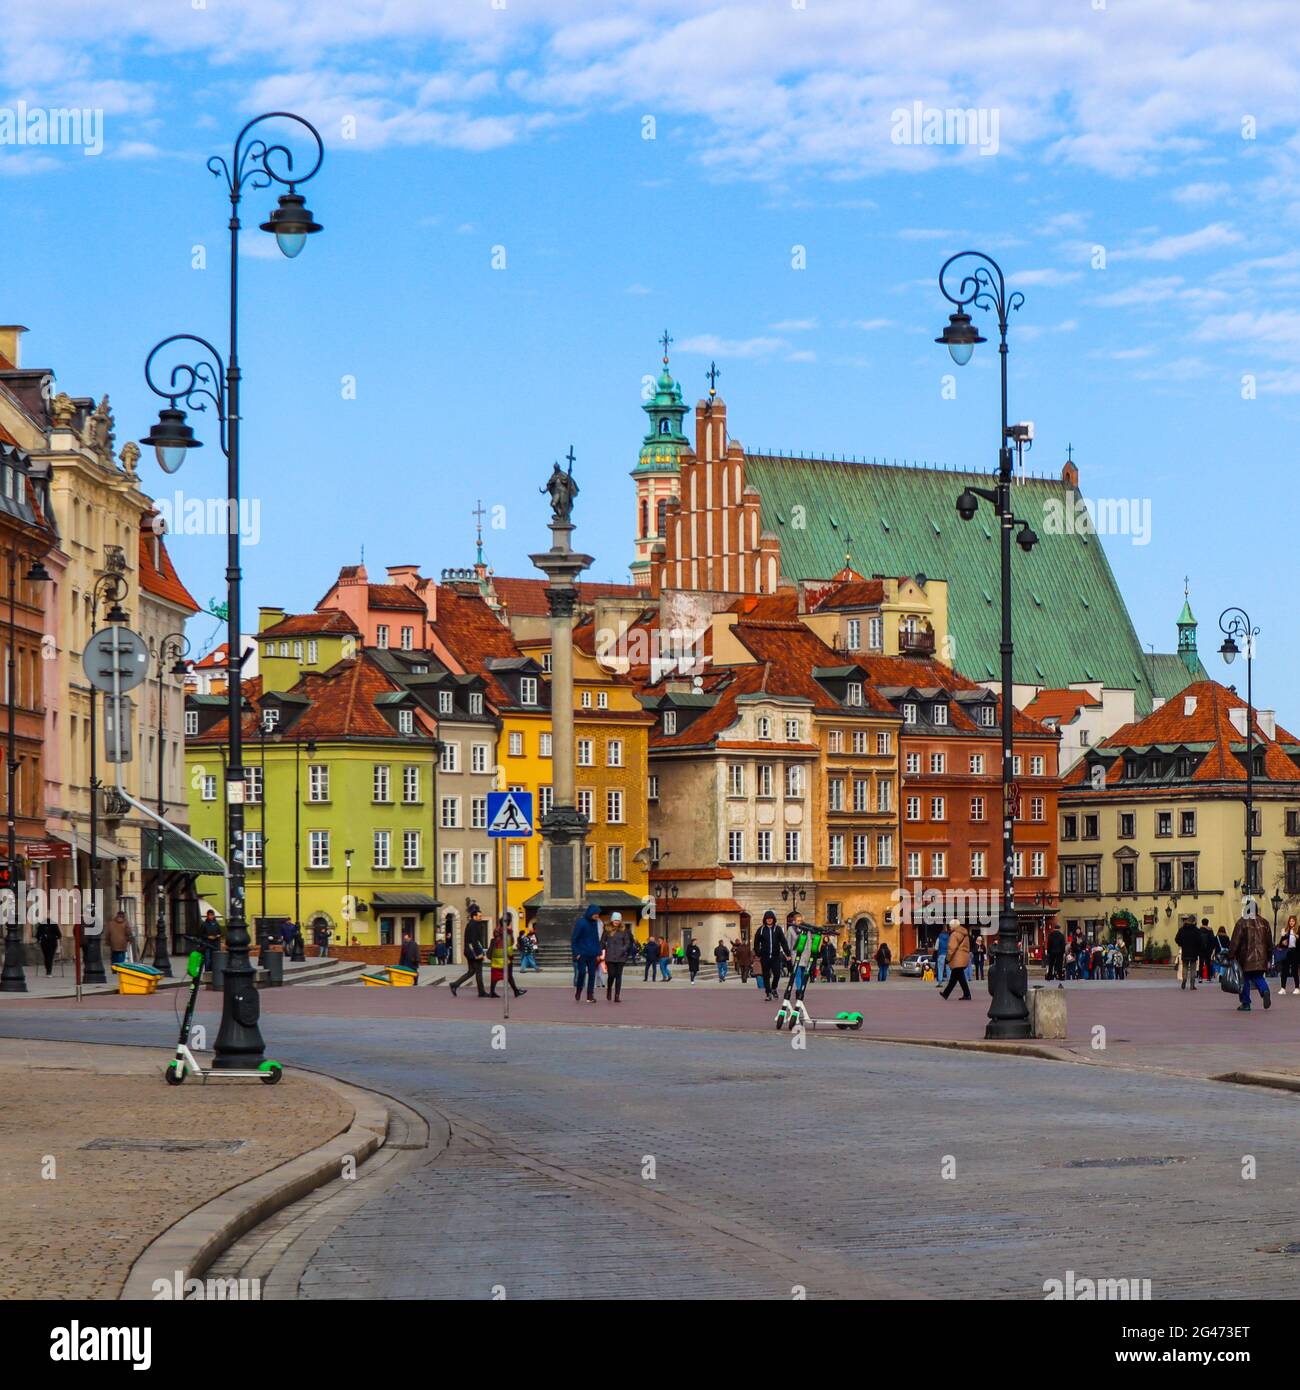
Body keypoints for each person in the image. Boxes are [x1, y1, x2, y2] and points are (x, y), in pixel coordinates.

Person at [1229, 900, 1273, 1012]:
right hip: (1261, 957)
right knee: (1258, 977)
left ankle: (1246, 1003)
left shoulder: (1242, 922)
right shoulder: (1264, 922)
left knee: (1245, 979)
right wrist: (1269, 955)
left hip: (1245, 958)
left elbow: (1235, 941)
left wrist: (1231, 954)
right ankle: (1265, 991)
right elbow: (1269, 942)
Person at [448, 907, 489, 997]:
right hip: (474, 952)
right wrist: (480, 954)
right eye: (479, 916)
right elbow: (475, 941)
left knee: (471, 971)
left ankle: (455, 984)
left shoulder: (469, 924)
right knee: (478, 972)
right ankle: (481, 992)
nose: (481, 918)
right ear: (474, 916)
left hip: (468, 952)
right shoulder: (475, 925)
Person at [754, 910, 791, 1001]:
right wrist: (758, 953)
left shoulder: (777, 929)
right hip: (765, 957)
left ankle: (774, 988)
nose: (769, 920)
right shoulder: (761, 930)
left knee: (777, 974)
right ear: (765, 919)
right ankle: (768, 993)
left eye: (770, 919)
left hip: (776, 956)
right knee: (766, 975)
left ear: (773, 919)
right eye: (767, 919)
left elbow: (783, 942)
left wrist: (787, 953)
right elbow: (756, 943)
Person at [489, 917, 526, 999]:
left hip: (496, 956)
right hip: (505, 958)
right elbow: (508, 947)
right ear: (508, 923)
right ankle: (516, 991)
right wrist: (511, 956)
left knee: (495, 975)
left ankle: (492, 991)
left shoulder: (497, 931)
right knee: (509, 975)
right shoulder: (508, 933)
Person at [571, 904, 603, 1002]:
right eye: (595, 914)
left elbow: (596, 939)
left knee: (592, 975)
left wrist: (598, 953)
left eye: (598, 914)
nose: (597, 916)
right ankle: (579, 990)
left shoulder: (595, 924)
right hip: (582, 953)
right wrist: (577, 953)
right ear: (590, 913)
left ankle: (590, 995)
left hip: (592, 954)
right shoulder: (581, 923)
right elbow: (574, 939)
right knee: (582, 973)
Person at [601, 912, 633, 1002]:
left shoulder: (624, 930)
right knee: (611, 975)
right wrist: (600, 952)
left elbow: (627, 942)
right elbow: (602, 942)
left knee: (618, 976)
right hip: (610, 956)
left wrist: (623, 949)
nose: (617, 922)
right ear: (612, 920)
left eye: (618, 920)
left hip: (621, 957)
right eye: (615, 920)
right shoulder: (607, 930)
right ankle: (609, 989)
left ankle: (617, 996)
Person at [939, 917, 972, 1000]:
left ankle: (966, 995)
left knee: (957, 978)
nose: (949, 928)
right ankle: (947, 994)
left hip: (957, 958)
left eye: (950, 926)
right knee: (957, 978)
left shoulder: (954, 934)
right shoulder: (964, 933)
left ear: (954, 926)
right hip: (963, 957)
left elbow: (951, 948)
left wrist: (948, 958)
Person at [1175, 917, 1202, 992]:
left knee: (1185, 967)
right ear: (1194, 921)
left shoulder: (1182, 929)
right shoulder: (1196, 930)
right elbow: (1200, 941)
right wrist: (1198, 948)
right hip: (1194, 952)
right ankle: (1192, 985)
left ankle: (1184, 979)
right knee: (1193, 968)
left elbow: (1177, 939)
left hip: (1185, 951)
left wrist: (1181, 944)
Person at [1278, 916, 1300, 995]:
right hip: (1287, 952)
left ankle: (1297, 988)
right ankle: (1283, 988)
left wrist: (1297, 937)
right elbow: (1281, 943)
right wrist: (1283, 943)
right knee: (1284, 970)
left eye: (1293, 921)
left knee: (1294, 970)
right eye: (1290, 921)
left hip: (1295, 952)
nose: (1291, 923)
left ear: (1295, 922)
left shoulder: (1298, 930)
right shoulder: (1285, 930)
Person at [934, 923, 951, 987]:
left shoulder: (939, 937)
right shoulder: (949, 937)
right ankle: (949, 981)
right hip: (948, 954)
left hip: (941, 954)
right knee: (948, 968)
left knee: (940, 968)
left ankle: (940, 982)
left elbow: (936, 947)